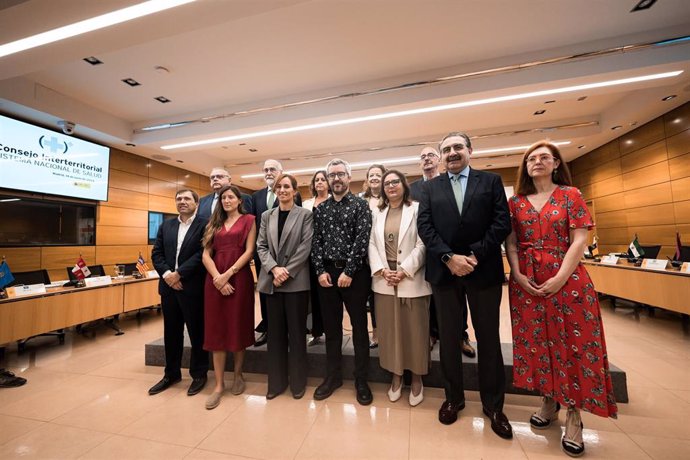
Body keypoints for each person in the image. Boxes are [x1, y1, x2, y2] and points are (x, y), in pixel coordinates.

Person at [506, 140, 618, 456]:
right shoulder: (515, 202)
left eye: (545, 157)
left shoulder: (571, 195)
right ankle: (547, 400)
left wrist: (559, 278)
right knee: (537, 343)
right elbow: (511, 243)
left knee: (573, 345)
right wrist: (517, 273)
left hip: (567, 280)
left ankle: (574, 415)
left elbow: (580, 238)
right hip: (527, 281)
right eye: (532, 158)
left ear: (556, 164)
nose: (537, 162)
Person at [417, 132, 513, 439]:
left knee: (488, 338)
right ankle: (453, 398)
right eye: (446, 149)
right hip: (445, 274)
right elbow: (425, 227)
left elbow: (501, 222)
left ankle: (494, 405)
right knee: (447, 338)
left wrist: (473, 255)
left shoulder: (491, 182)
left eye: (458, 147)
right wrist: (448, 257)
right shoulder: (430, 188)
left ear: (470, 151)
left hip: (482, 270)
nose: (452, 152)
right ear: (442, 157)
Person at [311, 158, 373, 405]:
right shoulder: (321, 209)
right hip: (327, 275)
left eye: (340, 174)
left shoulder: (361, 205)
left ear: (349, 176)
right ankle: (333, 377)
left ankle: (361, 380)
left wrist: (348, 271)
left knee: (359, 329)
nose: (336, 179)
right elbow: (315, 242)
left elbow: (362, 239)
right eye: (332, 175)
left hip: (355, 275)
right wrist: (319, 271)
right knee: (332, 330)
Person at [368, 170, 431, 406]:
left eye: (395, 182)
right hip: (385, 278)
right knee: (390, 331)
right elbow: (371, 243)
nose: (391, 186)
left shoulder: (417, 209)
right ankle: (396, 376)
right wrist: (383, 270)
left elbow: (424, 242)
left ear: (404, 185)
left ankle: (416, 378)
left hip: (411, 277)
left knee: (414, 330)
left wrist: (404, 269)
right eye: (387, 183)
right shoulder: (377, 212)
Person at [409, 146, 475, 357]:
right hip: (423, 252)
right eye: (422, 156)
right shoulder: (412, 189)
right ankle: (431, 333)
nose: (426, 159)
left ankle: (460, 335)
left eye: (430, 155)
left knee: (458, 296)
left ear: (439, 160)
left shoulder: (450, 181)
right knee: (429, 296)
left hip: (453, 253)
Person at [257, 174, 313, 400]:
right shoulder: (266, 215)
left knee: (297, 335)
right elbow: (261, 246)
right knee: (276, 336)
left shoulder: (305, 215)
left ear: (295, 190)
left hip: (295, 283)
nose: (282, 190)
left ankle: (298, 382)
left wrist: (285, 271)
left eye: (286, 186)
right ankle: (276, 382)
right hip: (272, 282)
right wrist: (273, 269)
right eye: (278, 186)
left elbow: (305, 246)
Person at [202, 185, 256, 409]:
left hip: (239, 278)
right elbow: (206, 254)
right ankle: (218, 385)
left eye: (230, 197)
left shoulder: (249, 220)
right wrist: (217, 278)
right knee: (217, 330)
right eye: (223, 197)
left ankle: (238, 375)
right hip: (214, 281)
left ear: (238, 200)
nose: (226, 200)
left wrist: (228, 274)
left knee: (238, 326)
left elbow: (249, 251)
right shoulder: (213, 224)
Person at [150, 189, 209, 397]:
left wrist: (179, 274)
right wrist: (168, 274)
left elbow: (203, 253)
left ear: (197, 202)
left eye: (187, 199)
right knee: (171, 333)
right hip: (169, 288)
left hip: (191, 287)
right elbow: (156, 253)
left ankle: (199, 374)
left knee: (196, 333)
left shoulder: (205, 224)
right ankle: (171, 374)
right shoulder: (167, 225)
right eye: (179, 199)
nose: (182, 202)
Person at [251, 159, 302, 347]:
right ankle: (267, 328)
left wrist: (285, 268)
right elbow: (254, 227)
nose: (268, 172)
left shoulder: (292, 194)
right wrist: (269, 263)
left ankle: (288, 330)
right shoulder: (255, 197)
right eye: (265, 169)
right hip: (264, 257)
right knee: (266, 295)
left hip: (289, 259)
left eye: (272, 169)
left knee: (288, 297)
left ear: (281, 171)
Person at [302, 170, 331, 346]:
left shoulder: (334, 202)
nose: (320, 182)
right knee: (312, 296)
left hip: (327, 253)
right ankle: (316, 331)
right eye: (317, 180)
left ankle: (331, 331)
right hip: (309, 255)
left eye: (323, 179)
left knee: (327, 296)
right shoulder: (306, 204)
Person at [360, 164, 385, 349]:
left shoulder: (390, 198)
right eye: (371, 175)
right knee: (369, 298)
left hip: (385, 256)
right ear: (367, 180)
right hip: (364, 258)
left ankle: (389, 332)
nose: (375, 177)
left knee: (382, 298)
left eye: (378, 174)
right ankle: (375, 333)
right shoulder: (361, 200)